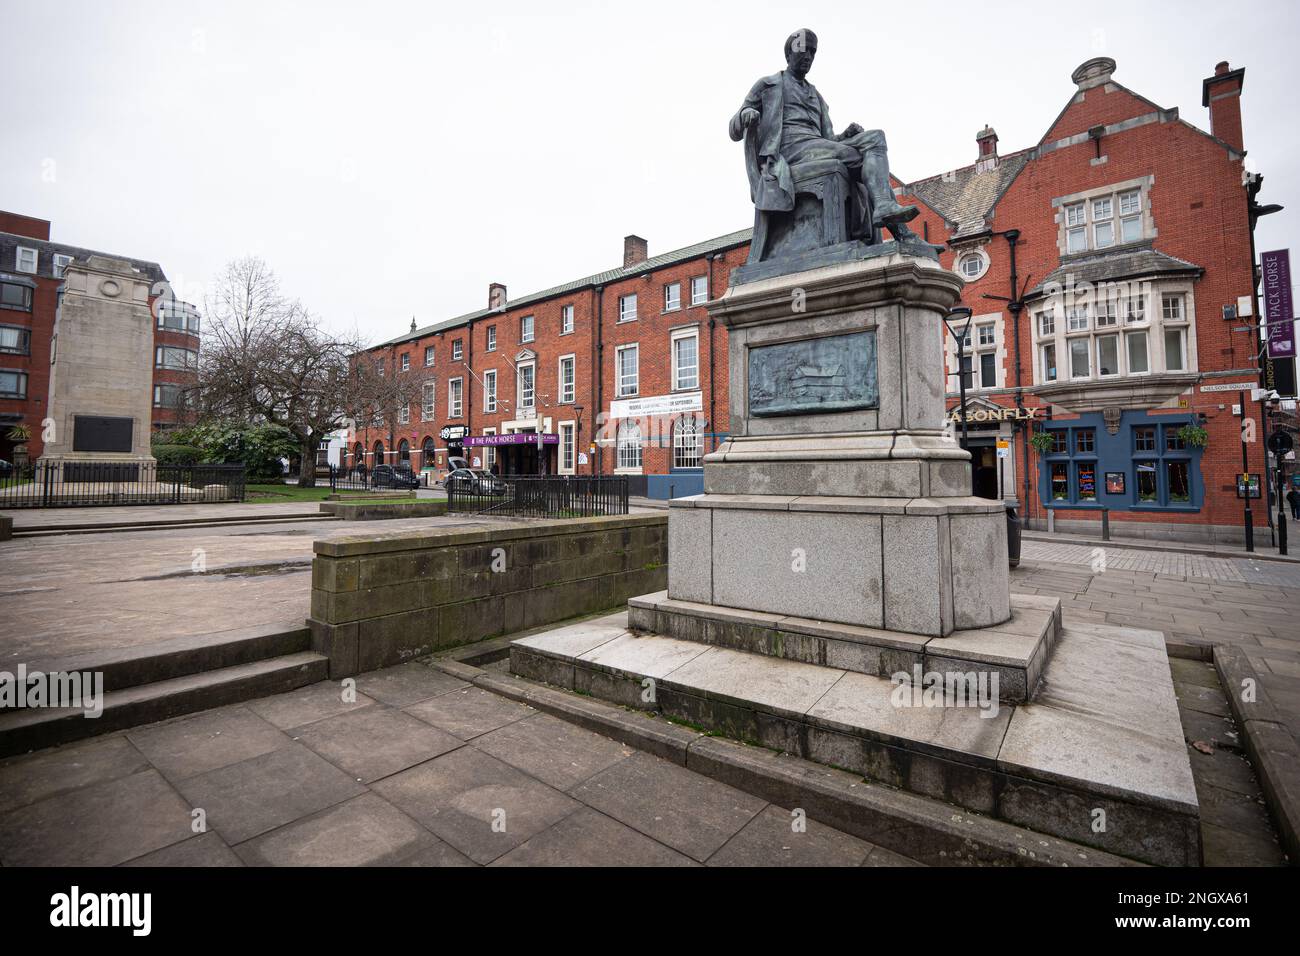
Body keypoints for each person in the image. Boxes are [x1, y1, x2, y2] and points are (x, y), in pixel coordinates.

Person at [729, 28, 922, 243]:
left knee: (875, 137)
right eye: (803, 50)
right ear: (788, 54)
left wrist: (845, 135)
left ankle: (889, 214)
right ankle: (900, 231)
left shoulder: (816, 96)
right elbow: (733, 129)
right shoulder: (769, 85)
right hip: (788, 150)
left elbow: (828, 140)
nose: (808, 57)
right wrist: (746, 113)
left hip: (815, 147)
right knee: (861, 159)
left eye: (812, 52)